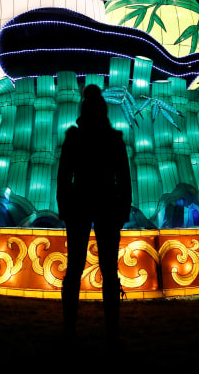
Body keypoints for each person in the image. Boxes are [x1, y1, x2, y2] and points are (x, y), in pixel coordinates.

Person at [57, 84, 132, 346]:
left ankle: (70, 329)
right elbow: (124, 177)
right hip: (106, 203)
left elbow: (64, 176)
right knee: (109, 270)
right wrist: (124, 207)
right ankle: (112, 332)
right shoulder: (113, 139)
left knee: (75, 267)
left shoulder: (75, 138)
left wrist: (64, 206)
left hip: (79, 203)